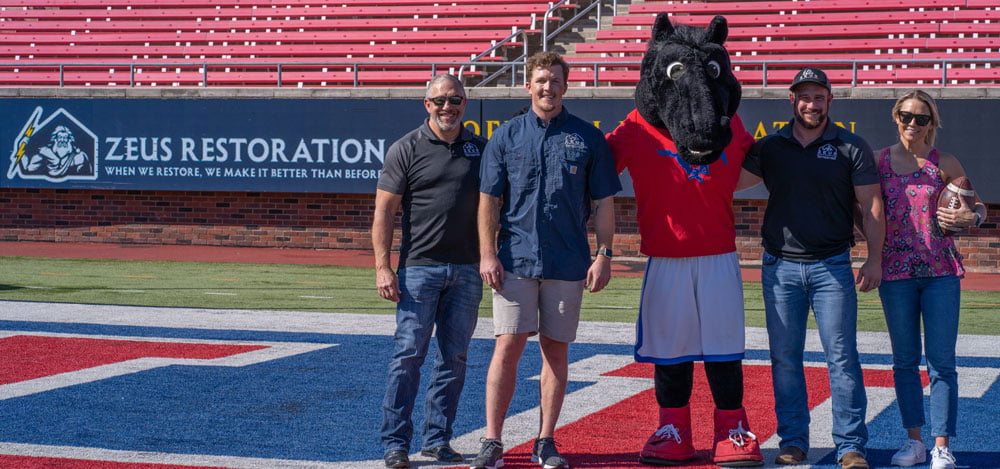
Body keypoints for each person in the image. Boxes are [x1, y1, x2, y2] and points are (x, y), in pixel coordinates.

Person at [605, 14, 764, 468]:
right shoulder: (637, 125)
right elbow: (597, 172)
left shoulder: (726, 124)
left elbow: (749, 167)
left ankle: (732, 428)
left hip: (718, 253)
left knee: (724, 347)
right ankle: (673, 429)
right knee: (669, 351)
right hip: (666, 256)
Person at [471, 51, 621, 469]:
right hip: (515, 260)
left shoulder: (588, 137)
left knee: (556, 351)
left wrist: (604, 254)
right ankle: (492, 441)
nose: (547, 88)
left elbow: (605, 201)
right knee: (507, 348)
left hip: (568, 264)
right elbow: (489, 200)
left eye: (555, 80)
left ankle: (546, 440)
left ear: (565, 85)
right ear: (528, 85)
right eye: (540, 80)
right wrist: (486, 253)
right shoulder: (507, 135)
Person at [738, 66, 885, 469]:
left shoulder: (850, 146)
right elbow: (729, 183)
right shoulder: (770, 147)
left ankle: (851, 446)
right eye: (804, 96)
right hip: (779, 268)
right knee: (785, 358)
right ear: (792, 100)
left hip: (832, 267)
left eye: (819, 97)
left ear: (829, 101)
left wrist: (874, 258)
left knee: (842, 358)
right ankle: (793, 441)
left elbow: (871, 207)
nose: (811, 104)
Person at [373, 73, 486, 469]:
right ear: (427, 104)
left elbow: (496, 207)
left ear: (464, 103)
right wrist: (383, 267)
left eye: (454, 100)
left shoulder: (480, 149)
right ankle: (395, 443)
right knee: (408, 355)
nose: (447, 108)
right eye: (439, 101)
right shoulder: (406, 148)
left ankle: (438, 439)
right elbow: (385, 210)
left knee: (454, 359)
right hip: (418, 269)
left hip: (469, 271)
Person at [876, 90, 986, 469]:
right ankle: (914, 443)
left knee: (941, 363)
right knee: (904, 362)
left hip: (941, 273)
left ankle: (941, 445)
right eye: (906, 115)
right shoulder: (879, 162)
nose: (912, 123)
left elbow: (978, 205)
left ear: (932, 123)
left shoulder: (945, 162)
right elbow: (861, 209)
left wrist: (974, 219)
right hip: (895, 274)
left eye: (921, 118)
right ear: (895, 116)